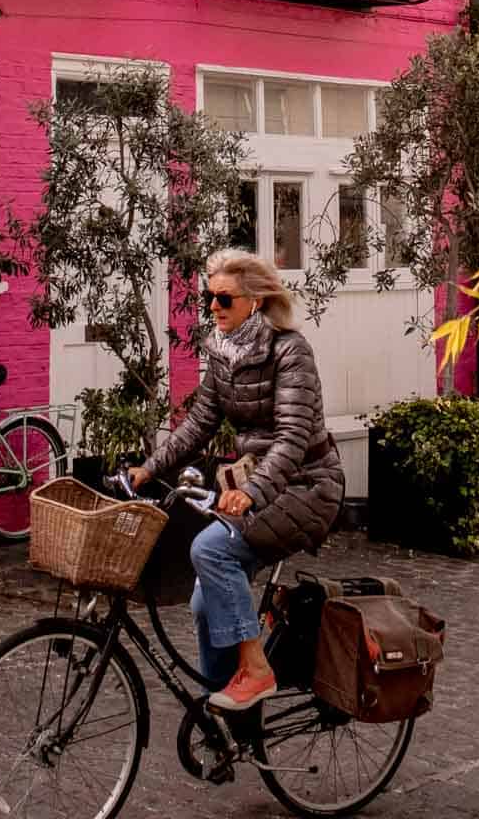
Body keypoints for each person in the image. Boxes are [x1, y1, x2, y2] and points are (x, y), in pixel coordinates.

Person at [130, 248, 344, 713]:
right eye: (209, 296)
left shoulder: (291, 351)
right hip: (262, 489)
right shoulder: (223, 351)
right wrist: (149, 466)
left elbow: (291, 439)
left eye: (223, 299)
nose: (212, 307)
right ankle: (224, 709)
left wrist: (249, 492)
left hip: (307, 486)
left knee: (209, 549)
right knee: (206, 604)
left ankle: (256, 671)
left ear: (255, 300)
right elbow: (199, 422)